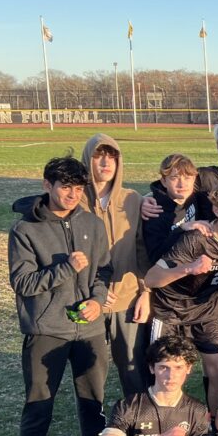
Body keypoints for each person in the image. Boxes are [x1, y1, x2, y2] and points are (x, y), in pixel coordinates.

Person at [9, 156, 113, 436]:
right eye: (64, 186)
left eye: (78, 188)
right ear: (47, 186)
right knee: (39, 404)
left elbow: (104, 270)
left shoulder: (92, 223)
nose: (71, 194)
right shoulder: (25, 230)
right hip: (46, 329)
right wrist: (65, 268)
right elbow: (22, 282)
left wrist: (98, 303)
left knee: (93, 398)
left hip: (89, 329)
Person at [144, 181, 218, 411]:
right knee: (166, 372)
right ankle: (162, 426)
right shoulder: (197, 239)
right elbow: (152, 278)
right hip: (171, 309)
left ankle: (214, 424)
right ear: (216, 209)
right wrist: (188, 269)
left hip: (207, 310)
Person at [80, 134, 150, 399]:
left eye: (112, 156)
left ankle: (141, 427)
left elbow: (142, 248)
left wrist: (145, 291)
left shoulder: (133, 199)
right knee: (90, 372)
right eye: (100, 156)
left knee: (133, 370)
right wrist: (90, 289)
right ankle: (94, 431)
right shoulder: (75, 200)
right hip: (89, 301)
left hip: (127, 299)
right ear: (88, 159)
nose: (106, 162)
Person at [142, 154, 202, 265]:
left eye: (187, 178)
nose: (182, 184)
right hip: (170, 275)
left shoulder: (197, 197)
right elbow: (155, 258)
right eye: (174, 178)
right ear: (164, 182)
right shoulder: (154, 211)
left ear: (194, 179)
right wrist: (182, 228)